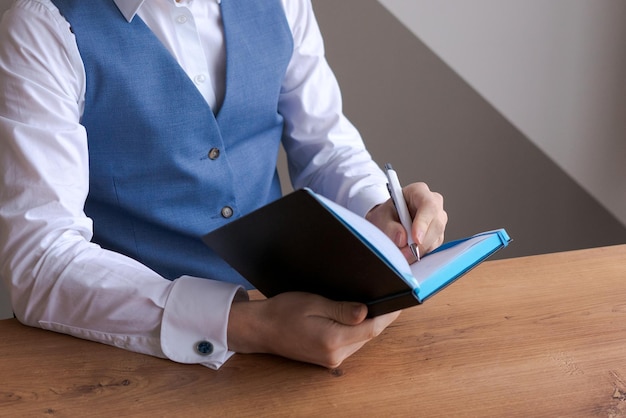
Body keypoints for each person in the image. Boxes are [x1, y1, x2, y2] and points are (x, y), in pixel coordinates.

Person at [0, 0, 447, 370]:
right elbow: (40, 259)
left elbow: (326, 144)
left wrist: (377, 211)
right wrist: (251, 325)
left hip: (297, 324)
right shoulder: (42, 24)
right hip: (129, 350)